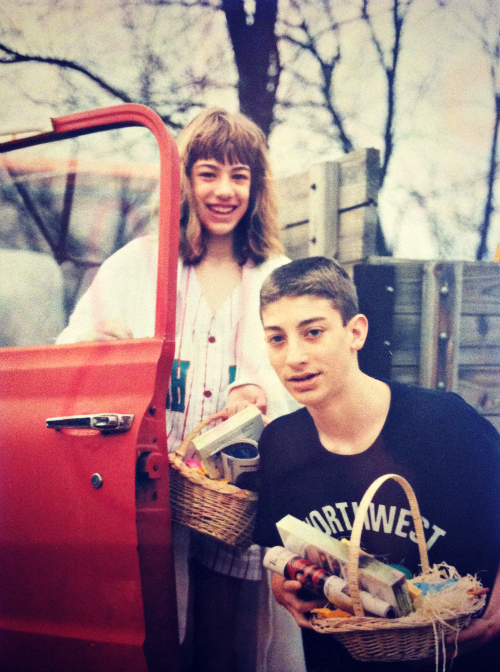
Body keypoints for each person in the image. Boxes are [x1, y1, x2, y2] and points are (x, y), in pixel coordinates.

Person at [57, 108, 304, 672]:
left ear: (257, 187)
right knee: (156, 634)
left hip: (235, 498)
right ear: (183, 181)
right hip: (147, 486)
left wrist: (261, 393)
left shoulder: (278, 275)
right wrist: (111, 354)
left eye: (239, 175)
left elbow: (302, 368)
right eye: (208, 172)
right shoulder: (138, 265)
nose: (224, 190)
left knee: (224, 641)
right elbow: (75, 353)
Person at [253, 256, 500, 672]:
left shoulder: (445, 423)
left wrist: (498, 613)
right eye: (277, 339)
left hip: (458, 657)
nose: (294, 356)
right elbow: (281, 555)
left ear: (356, 332)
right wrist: (284, 588)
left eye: (313, 332)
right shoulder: (279, 443)